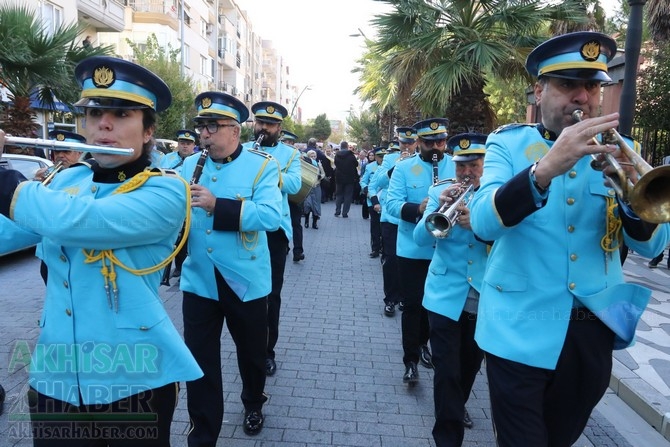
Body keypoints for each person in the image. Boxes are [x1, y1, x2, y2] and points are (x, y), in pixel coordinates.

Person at [469, 32, 670, 447]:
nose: (582, 96)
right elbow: (484, 223)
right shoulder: (508, 144)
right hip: (516, 327)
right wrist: (543, 170)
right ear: (539, 90)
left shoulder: (624, 149)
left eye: (592, 86)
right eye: (568, 85)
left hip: (590, 331)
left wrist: (632, 200)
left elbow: (653, 246)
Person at [0, 55, 203, 446]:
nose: (104, 124)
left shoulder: (165, 189)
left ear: (148, 131)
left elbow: (80, 221)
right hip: (56, 374)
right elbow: (14, 231)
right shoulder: (66, 180)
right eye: (94, 114)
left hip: (135, 375)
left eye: (122, 114)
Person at [181, 92, 283, 441]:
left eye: (213, 126)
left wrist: (217, 206)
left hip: (244, 279)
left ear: (235, 132)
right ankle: (203, 435)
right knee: (200, 364)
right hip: (199, 281)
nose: (204, 134)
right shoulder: (186, 165)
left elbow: (271, 216)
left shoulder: (262, 165)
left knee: (252, 356)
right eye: (200, 127)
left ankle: (254, 402)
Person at [414, 133, 489, 445]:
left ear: (486, 165)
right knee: (447, 370)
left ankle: (456, 407)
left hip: (482, 296)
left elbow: (510, 242)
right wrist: (441, 205)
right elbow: (420, 239)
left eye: (473, 165)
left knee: (469, 367)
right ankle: (447, 437)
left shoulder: (497, 197)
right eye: (461, 166)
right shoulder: (438, 190)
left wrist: (480, 225)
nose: (466, 173)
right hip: (443, 295)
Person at [387, 118, 455, 384]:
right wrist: (418, 208)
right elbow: (392, 204)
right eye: (429, 143)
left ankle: (424, 343)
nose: (436, 147)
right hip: (413, 249)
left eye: (440, 141)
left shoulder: (456, 165)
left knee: (435, 308)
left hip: (446, 249)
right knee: (413, 306)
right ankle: (410, 360)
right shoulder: (404, 168)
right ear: (418, 143)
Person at [243, 102, 302, 377]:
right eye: (260, 123)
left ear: (279, 128)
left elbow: (294, 185)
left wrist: (266, 169)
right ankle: (248, 347)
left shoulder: (289, 154)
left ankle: (267, 351)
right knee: (244, 292)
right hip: (245, 227)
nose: (263, 128)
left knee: (270, 295)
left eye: (269, 124)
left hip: (275, 231)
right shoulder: (242, 150)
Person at [369, 140, 404, 316]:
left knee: (408, 263)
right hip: (391, 217)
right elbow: (378, 182)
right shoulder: (390, 159)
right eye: (404, 143)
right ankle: (390, 299)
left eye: (411, 143)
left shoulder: (425, 162)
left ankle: (405, 297)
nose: (407, 147)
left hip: (414, 220)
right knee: (391, 260)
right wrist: (396, 166)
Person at [159, 129, 197, 282]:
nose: (185, 146)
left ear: (194, 145)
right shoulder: (167, 159)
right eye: (182, 143)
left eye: (188, 144)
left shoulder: (199, 160)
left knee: (186, 236)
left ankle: (182, 266)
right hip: (171, 203)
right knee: (172, 236)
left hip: (190, 203)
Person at [281, 130, 306, 262]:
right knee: (280, 222)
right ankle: (284, 247)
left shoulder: (299, 156)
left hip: (295, 197)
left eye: (291, 142)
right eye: (286, 142)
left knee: (296, 224)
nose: (289, 144)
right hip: (280, 196)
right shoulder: (274, 154)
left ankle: (298, 251)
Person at [361, 147, 385, 257]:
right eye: (380, 156)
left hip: (386, 201)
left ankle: (384, 247)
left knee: (385, 226)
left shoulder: (391, 166)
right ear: (375, 157)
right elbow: (363, 181)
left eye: (384, 157)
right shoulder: (370, 167)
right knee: (375, 225)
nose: (382, 159)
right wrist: (366, 190)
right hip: (373, 200)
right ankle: (375, 248)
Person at [334, 141, 359, 217]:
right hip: (349, 178)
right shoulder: (351, 155)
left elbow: (335, 164)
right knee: (348, 196)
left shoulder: (337, 155)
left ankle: (337, 211)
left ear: (341, 147)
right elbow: (356, 164)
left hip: (339, 178)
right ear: (347, 146)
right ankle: (345, 213)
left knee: (339, 195)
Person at [303, 149, 325, 229]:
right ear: (308, 157)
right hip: (308, 187)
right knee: (307, 205)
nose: (313, 157)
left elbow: (323, 174)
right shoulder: (306, 164)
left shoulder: (318, 164)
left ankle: (314, 223)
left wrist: (320, 177)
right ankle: (306, 221)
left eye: (314, 156)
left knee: (316, 206)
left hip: (316, 187)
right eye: (311, 156)